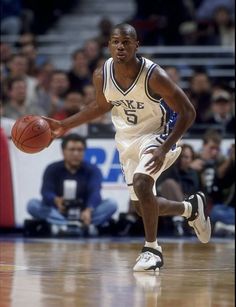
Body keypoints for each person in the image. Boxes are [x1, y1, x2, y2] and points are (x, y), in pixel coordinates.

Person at [43, 23, 211, 272]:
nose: (120, 46)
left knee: (143, 183)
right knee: (143, 208)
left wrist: (165, 147)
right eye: (115, 41)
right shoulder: (102, 74)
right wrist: (62, 125)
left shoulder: (154, 75)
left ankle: (152, 249)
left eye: (125, 42)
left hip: (158, 135)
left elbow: (188, 111)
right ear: (109, 45)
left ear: (136, 45)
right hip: (126, 139)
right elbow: (101, 106)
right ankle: (189, 208)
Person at [27, 134, 117, 236]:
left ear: (84, 151)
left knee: (111, 204)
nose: (76, 153)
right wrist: (55, 200)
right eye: (72, 149)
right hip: (58, 211)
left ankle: (65, 227)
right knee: (32, 204)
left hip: (84, 213)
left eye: (79, 150)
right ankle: (69, 225)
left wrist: (88, 210)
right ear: (63, 151)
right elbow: (46, 191)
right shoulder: (52, 169)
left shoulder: (93, 170)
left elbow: (95, 192)